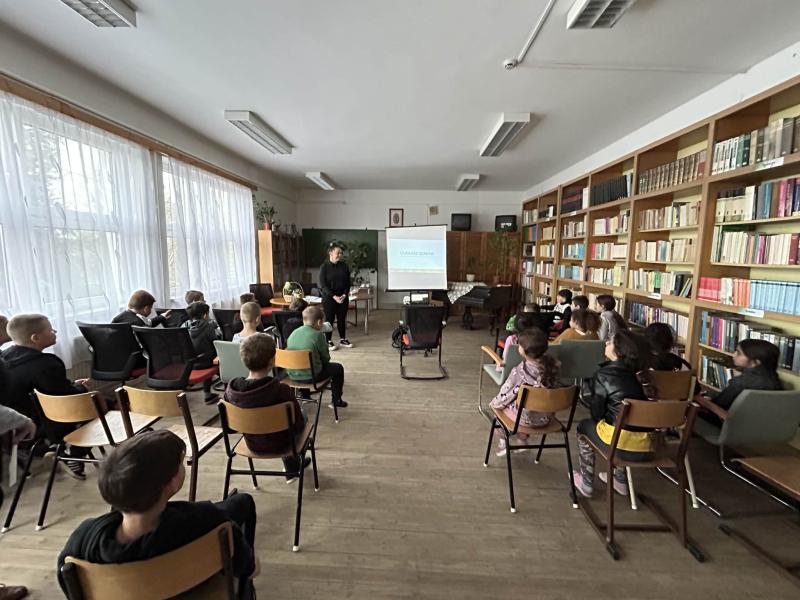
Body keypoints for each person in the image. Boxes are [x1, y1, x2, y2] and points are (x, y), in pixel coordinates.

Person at [57, 430, 256, 599]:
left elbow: (70, 586)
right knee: (242, 503)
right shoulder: (205, 520)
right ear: (171, 483)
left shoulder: (83, 540)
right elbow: (249, 569)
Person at [2, 314, 91, 479]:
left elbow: (50, 389)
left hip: (16, 423)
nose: (55, 332)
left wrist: (72, 385)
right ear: (35, 338)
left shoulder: (4, 357)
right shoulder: (47, 364)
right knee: (96, 407)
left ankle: (51, 449)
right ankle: (73, 454)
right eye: (51, 330)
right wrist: (81, 387)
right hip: (43, 422)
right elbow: (67, 397)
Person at [573, 330, 654, 498]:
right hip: (648, 446)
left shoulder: (603, 375)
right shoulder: (643, 375)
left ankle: (586, 483)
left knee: (583, 427)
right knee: (625, 425)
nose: (605, 343)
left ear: (619, 351)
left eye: (609, 342)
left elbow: (596, 413)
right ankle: (620, 479)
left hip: (620, 446)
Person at [224, 334, 310, 480]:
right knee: (302, 416)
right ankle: (292, 466)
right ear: (272, 361)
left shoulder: (232, 391)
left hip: (252, 444)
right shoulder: (282, 390)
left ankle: (291, 467)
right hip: (283, 444)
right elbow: (298, 425)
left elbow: (230, 429)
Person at [489, 328, 561, 457]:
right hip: (547, 418)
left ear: (524, 351)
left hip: (524, 420)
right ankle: (522, 441)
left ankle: (504, 442)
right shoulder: (554, 367)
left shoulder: (520, 372)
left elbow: (506, 395)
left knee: (499, 412)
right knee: (527, 406)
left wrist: (495, 404)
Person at [695, 339, 783, 427]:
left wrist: (700, 398)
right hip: (761, 426)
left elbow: (720, 405)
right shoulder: (776, 382)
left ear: (755, 362)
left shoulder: (740, 383)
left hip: (731, 426)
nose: (734, 355)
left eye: (739, 353)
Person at [287, 306, 347, 409]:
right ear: (319, 322)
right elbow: (326, 358)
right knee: (338, 368)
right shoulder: (318, 335)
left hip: (292, 376)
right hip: (312, 377)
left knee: (302, 364)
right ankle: (336, 400)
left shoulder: (293, 333)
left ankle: (305, 395)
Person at [182, 302, 221, 404]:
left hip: (189, 364)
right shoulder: (208, 327)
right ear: (205, 315)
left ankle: (208, 394)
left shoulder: (184, 326)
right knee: (219, 356)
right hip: (206, 363)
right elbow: (216, 344)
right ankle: (208, 393)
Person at [319, 243, 352, 350]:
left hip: (343, 297)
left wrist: (344, 295)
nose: (340, 255)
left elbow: (348, 283)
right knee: (329, 319)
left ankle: (343, 339)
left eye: (341, 253)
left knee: (342, 318)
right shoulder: (324, 267)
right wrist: (334, 296)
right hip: (329, 298)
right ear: (331, 253)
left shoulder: (344, 266)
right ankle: (328, 341)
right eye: (338, 253)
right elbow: (323, 285)